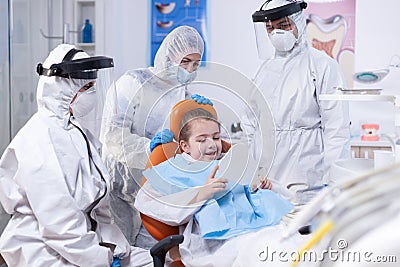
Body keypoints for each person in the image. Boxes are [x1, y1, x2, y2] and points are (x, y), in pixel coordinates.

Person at [0, 44, 152, 267]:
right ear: (63, 90)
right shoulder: (41, 140)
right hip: (44, 250)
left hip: (82, 243)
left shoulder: (73, 131)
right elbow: (61, 226)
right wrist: (101, 259)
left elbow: (97, 205)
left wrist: (114, 248)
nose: (92, 93)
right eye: (87, 87)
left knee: (157, 259)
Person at [134, 99, 304, 266]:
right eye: (202, 140)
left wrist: (268, 186)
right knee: (269, 254)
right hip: (217, 243)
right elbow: (146, 201)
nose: (212, 145)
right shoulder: (173, 169)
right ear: (185, 146)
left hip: (261, 228)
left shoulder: (231, 162)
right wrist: (201, 193)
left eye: (216, 138)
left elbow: (284, 199)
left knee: (299, 245)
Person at [101, 25, 212, 248]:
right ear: (169, 56)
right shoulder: (133, 82)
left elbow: (185, 141)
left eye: (196, 64)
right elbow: (112, 135)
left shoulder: (182, 92)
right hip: (122, 185)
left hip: (156, 188)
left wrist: (200, 115)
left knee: (150, 251)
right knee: (120, 249)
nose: (190, 70)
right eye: (185, 62)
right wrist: (148, 148)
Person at [246, 0, 351, 203]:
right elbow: (250, 124)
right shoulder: (264, 71)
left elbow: (337, 130)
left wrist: (334, 183)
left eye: (284, 26)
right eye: (270, 28)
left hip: (306, 176)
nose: (277, 33)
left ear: (299, 23)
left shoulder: (322, 66)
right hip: (266, 178)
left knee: (302, 229)